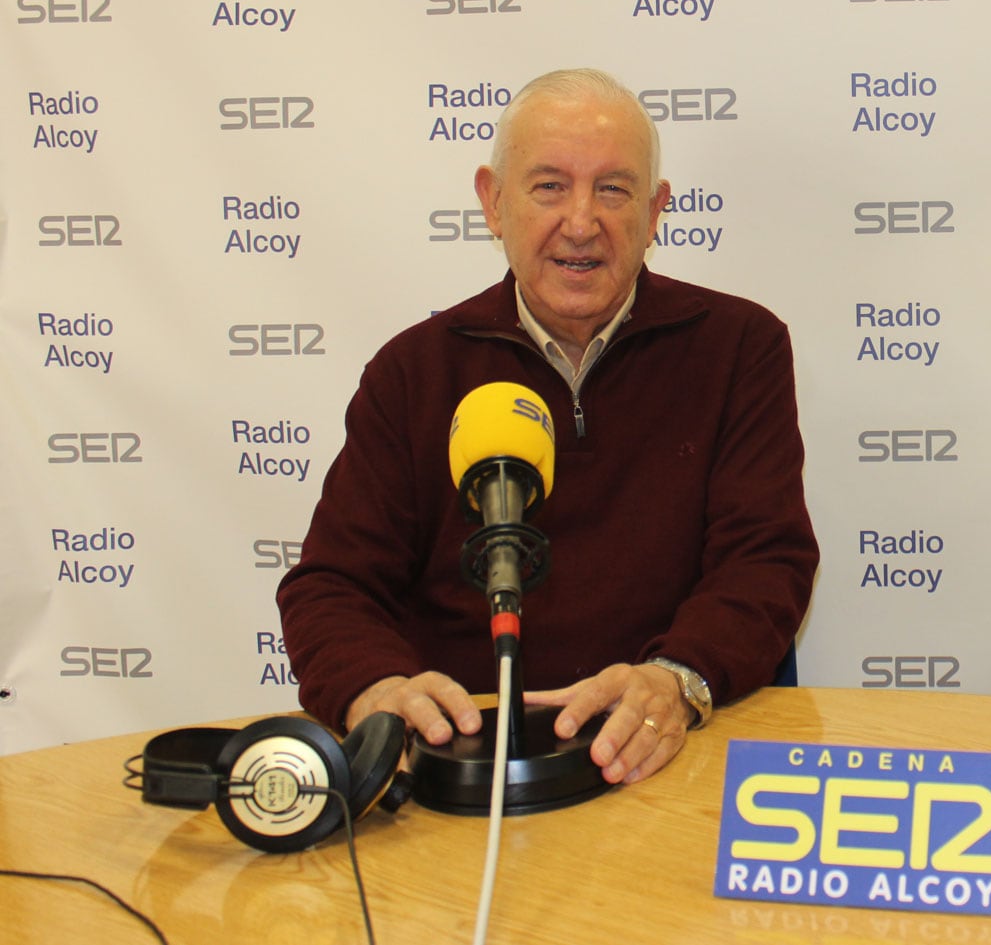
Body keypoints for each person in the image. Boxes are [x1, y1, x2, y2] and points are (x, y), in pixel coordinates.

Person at [277, 68, 817, 786]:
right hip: (469, 772)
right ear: (492, 202)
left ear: (656, 212)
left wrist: (676, 679)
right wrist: (373, 688)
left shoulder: (738, 347)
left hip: (668, 759)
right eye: (549, 186)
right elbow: (331, 586)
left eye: (614, 189)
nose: (582, 221)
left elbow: (766, 561)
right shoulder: (413, 372)